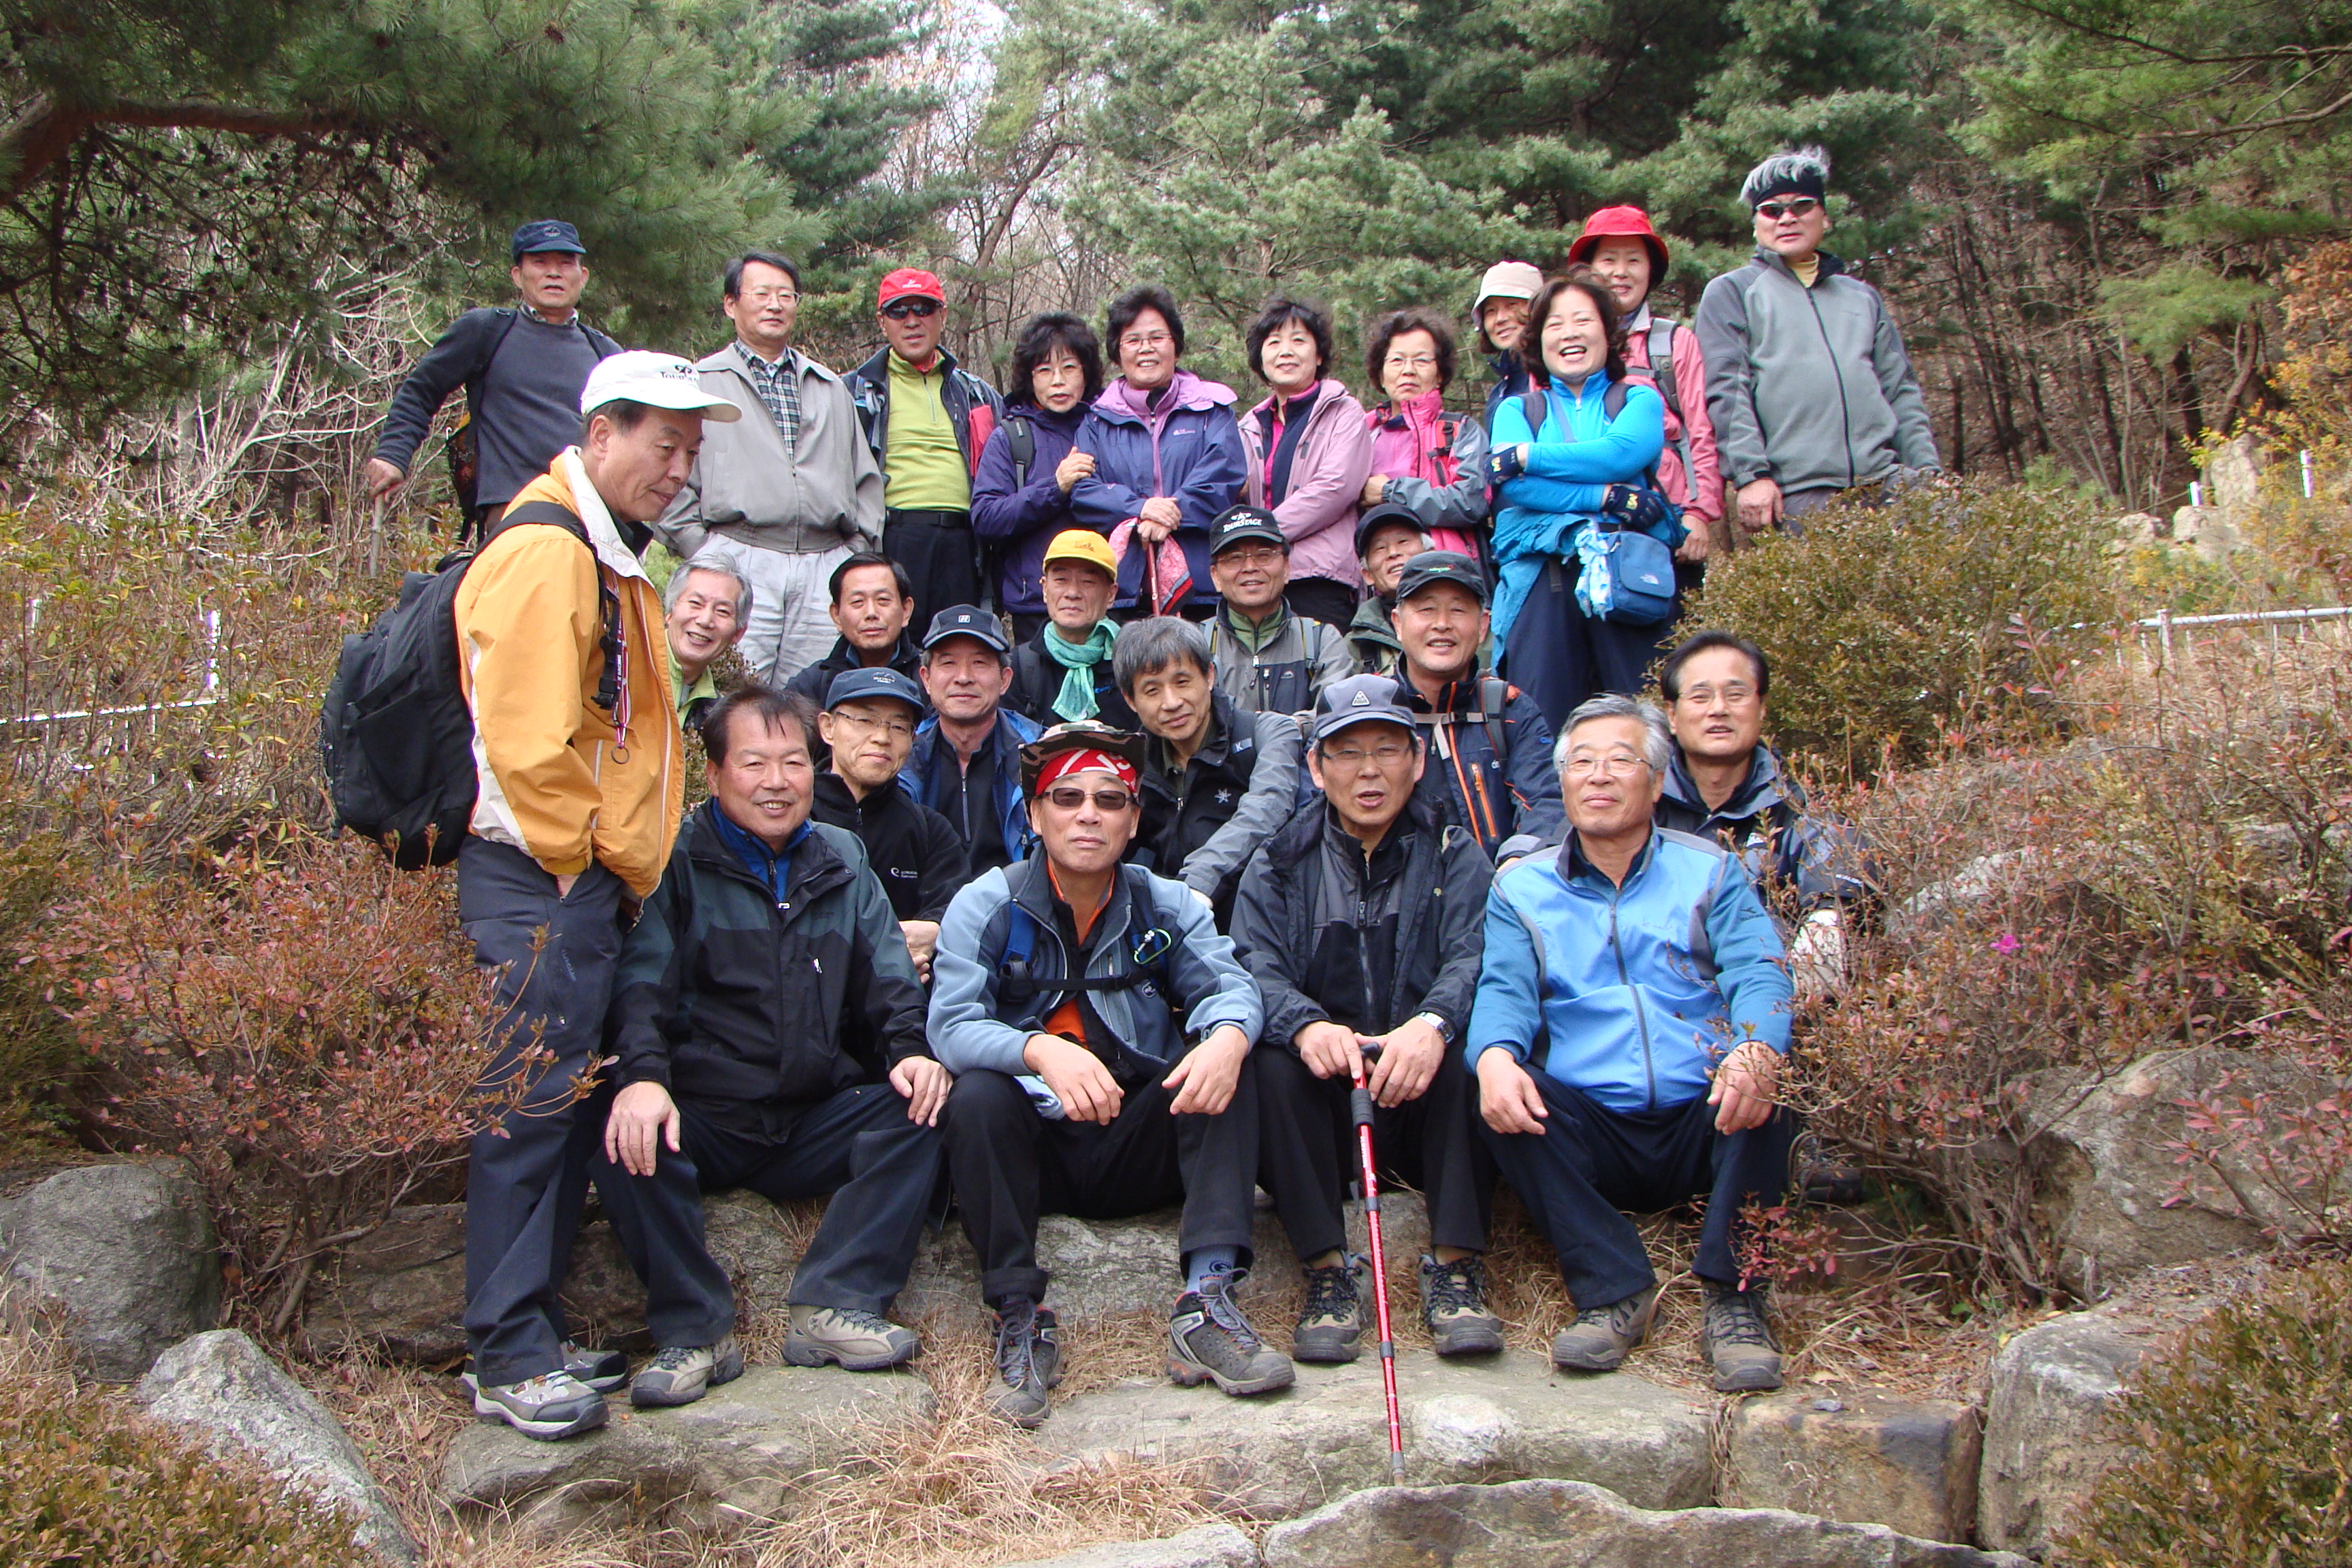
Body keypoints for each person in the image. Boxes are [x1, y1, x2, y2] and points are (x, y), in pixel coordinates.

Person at [452, 350, 735, 1439]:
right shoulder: (548, 548)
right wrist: (584, 863)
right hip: (542, 876)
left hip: (577, 878)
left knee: (563, 1105)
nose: (678, 469)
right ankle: (506, 1353)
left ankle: (528, 1328)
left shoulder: (607, 551)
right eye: (664, 445)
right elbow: (525, 743)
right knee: (527, 1109)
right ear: (601, 434)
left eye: (691, 452)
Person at [928, 723, 1290, 1426]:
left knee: (1227, 1059)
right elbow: (950, 1025)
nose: (1087, 815)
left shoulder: (1165, 903)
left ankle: (1207, 1301)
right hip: (1035, 1148)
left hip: (1135, 1138)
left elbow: (1231, 988)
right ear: (1035, 816)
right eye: (1066, 798)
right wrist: (1039, 1051)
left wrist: (1227, 1036)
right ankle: (1018, 1314)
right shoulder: (988, 903)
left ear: (1133, 819)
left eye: (1109, 799)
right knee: (977, 1096)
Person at [596, 687, 943, 1409]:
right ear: (716, 772)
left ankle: (836, 1303)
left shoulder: (841, 855)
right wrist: (643, 1077)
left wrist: (909, 1049)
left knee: (929, 1103)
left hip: (812, 1112)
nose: (777, 782)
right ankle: (695, 1332)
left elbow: (887, 973)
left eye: (793, 762)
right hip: (707, 1115)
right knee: (618, 1117)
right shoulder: (677, 857)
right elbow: (641, 985)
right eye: (754, 763)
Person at [1469, 696, 1794, 1393]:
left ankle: (1736, 1298)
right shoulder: (1522, 888)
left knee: (1775, 1077)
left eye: (1621, 761)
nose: (1599, 776)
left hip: (1708, 1112)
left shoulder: (1709, 870)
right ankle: (1614, 1290)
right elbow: (1503, 991)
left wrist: (1757, 1047)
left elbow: (1760, 970)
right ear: (1562, 781)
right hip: (1593, 1126)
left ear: (1657, 778)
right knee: (1496, 1085)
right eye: (1581, 763)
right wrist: (1493, 1055)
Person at [1235, 674, 1505, 1361]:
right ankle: (1328, 1272)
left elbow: (1476, 954)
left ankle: (1456, 1269)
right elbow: (1253, 964)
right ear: (1316, 767)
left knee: (1472, 1051)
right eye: (1348, 753)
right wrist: (1306, 1026)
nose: (1369, 771)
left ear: (1416, 760)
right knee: (1267, 1064)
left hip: (1419, 1095)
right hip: (1328, 1104)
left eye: (1387, 750)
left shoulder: (1454, 852)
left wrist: (1433, 1023)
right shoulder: (1279, 862)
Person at [657, 252, 885, 685]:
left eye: (786, 295)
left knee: (813, 694)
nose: (774, 305)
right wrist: (702, 550)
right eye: (761, 294)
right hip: (737, 555)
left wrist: (854, 554)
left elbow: (865, 479)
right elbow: (670, 470)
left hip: (824, 563)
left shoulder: (829, 385)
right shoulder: (699, 382)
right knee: (730, 692)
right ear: (731, 304)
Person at [1695, 147, 1941, 534]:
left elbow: (1901, 390)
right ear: (1756, 224)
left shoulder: (1862, 296)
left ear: (1825, 217)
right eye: (1772, 210)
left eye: (1802, 206)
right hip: (1799, 494)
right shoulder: (1732, 292)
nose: (1787, 218)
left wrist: (1927, 473)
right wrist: (1751, 475)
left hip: (1889, 482)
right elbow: (1728, 392)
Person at [1487, 271, 1678, 733]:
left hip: (1628, 578)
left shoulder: (1638, 400)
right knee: (1540, 728)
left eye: (1583, 320)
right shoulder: (1518, 409)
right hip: (1541, 581)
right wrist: (1607, 496)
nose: (1569, 333)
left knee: (1642, 723)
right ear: (1538, 341)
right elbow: (1515, 488)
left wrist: (1529, 456)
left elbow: (1619, 454)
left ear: (1609, 333)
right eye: (1555, 324)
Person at [366, 219, 623, 532]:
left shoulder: (606, 354)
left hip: (593, 517)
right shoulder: (487, 331)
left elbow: (634, 435)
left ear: (582, 277)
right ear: (517, 275)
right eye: (540, 262)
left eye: (565, 263)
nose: (553, 273)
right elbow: (421, 391)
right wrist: (393, 455)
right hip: (513, 514)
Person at [1655, 631, 1870, 996]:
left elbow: (1840, 854)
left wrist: (1828, 919)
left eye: (1736, 695)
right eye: (1700, 696)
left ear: (1762, 708)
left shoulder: (1794, 804)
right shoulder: (1641, 802)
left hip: (1764, 1001)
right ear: (1673, 715)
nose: (1718, 709)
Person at [1069, 285, 1247, 618]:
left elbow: (1224, 476)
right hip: (1123, 587)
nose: (1146, 349)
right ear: (1117, 352)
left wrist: (1171, 513)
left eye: (1157, 338)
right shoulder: (1096, 420)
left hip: (1200, 586)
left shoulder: (1211, 409)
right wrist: (1141, 508)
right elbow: (1084, 491)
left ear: (1176, 346)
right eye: (1133, 340)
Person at [1568, 208, 1722, 587]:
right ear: (1589, 270)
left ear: (1651, 270)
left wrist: (1699, 512)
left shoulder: (1673, 342)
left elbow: (1701, 431)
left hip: (1668, 519)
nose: (1621, 272)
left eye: (1634, 260)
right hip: (1586, 521)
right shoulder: (1563, 342)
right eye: (1609, 260)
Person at [1113, 617, 1303, 920]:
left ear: (1210, 676)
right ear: (1130, 700)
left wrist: (1197, 884)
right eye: (1152, 690)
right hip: (1172, 922)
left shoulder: (1267, 733)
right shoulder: (1133, 761)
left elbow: (1267, 807)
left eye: (1182, 682)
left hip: (1260, 922)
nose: (1172, 702)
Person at [845, 268, 1005, 621]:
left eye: (924, 309)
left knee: (960, 643)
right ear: (882, 322)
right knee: (892, 640)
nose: (912, 321)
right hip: (893, 538)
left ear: (942, 316)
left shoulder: (977, 394)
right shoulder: (853, 392)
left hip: (964, 542)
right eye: (898, 311)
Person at [1386, 551, 1565, 863]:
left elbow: (1545, 802)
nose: (1442, 624)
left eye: (1458, 610)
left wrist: (1517, 865)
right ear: (1398, 624)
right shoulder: (1373, 710)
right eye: (1427, 609)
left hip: (1496, 883)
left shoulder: (1510, 710)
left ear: (1483, 626)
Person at [812, 667, 969, 983]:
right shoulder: (793, 818)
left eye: (898, 727)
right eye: (865, 721)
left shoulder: (931, 832)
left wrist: (936, 931)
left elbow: (955, 912)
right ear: (828, 728)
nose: (882, 738)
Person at [1232, 295, 1375, 631]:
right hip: (1258, 579)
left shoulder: (1343, 412)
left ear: (1319, 354)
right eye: (1274, 342)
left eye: (1299, 341)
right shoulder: (1248, 426)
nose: (1286, 351)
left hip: (1319, 576)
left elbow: (1336, 487)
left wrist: (1260, 533)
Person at [971, 314, 1105, 641]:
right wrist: (1055, 487)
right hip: (1034, 602)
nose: (1058, 381)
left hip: (1106, 598)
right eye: (1044, 370)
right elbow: (986, 517)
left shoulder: (1110, 428)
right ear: (1029, 378)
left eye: (1069, 368)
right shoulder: (1012, 437)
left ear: (1086, 372)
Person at [901, 605, 1043, 877]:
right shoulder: (904, 755)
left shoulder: (1038, 751)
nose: (964, 678)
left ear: (1004, 680)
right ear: (926, 679)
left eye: (979, 663)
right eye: (948, 663)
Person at [1358, 308, 1490, 566]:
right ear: (1381, 374)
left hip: (1450, 572)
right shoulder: (1361, 434)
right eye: (1397, 360)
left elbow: (1472, 501)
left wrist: (1391, 492)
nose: (1408, 370)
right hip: (1379, 576)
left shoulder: (1459, 430)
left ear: (1439, 374)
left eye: (1421, 361)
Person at [1203, 505, 1356, 717]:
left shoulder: (1321, 641)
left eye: (1264, 555)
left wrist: (1290, 729)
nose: (1250, 567)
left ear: (1286, 568)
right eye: (1235, 558)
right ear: (1215, 576)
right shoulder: (1195, 644)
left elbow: (1336, 715)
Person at [1004, 530, 1139, 732]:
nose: (1073, 593)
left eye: (1088, 582)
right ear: (1044, 589)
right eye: (1061, 580)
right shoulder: (1019, 667)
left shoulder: (1134, 661)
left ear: (1111, 595)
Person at [782, 553, 925, 709]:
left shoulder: (929, 678)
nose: (871, 613)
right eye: (858, 602)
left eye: (883, 600)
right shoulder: (813, 685)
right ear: (836, 615)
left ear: (906, 610)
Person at [664, 553, 753, 729]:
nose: (705, 621)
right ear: (670, 612)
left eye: (722, 611)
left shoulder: (722, 716)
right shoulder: (626, 671)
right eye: (696, 603)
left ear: (738, 633)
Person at [1345, 502, 1430, 676]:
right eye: (1380, 548)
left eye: (1403, 541)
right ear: (1368, 574)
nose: (1393, 552)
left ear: (1431, 552)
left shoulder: (1465, 618)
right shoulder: (1356, 644)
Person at [1471, 261, 1544, 425]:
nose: (1500, 319)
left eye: (1512, 305)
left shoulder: (1556, 378)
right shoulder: (1498, 394)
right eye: (1491, 311)